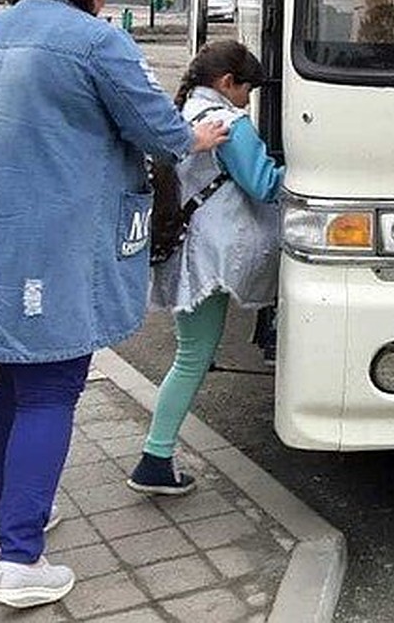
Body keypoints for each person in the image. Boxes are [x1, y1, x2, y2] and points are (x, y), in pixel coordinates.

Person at [0, 0, 228, 610]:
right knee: (53, 388)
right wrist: (196, 136)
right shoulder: (95, 41)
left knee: (15, 383)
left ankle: (1, 521)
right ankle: (22, 562)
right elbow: (159, 133)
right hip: (54, 246)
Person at [128, 39, 283, 496]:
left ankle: (157, 456)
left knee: (192, 353)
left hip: (186, 251)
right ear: (226, 83)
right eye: (246, 91)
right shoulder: (228, 123)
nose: (248, 100)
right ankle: (154, 459)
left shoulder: (184, 114)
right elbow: (264, 185)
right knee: (193, 357)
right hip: (208, 259)